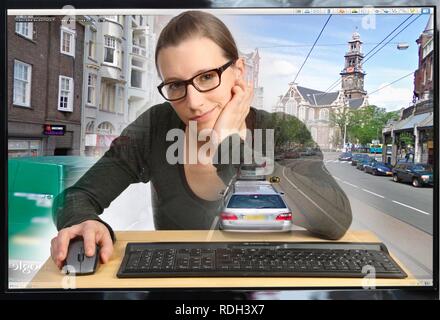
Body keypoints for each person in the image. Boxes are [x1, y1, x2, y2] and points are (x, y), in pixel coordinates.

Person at [50, 10, 352, 269]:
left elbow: (334, 220)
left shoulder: (283, 130)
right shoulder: (156, 125)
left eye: (207, 77)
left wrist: (230, 147)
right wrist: (83, 221)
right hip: (179, 290)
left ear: (238, 72)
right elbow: (76, 197)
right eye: (175, 85)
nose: (193, 102)